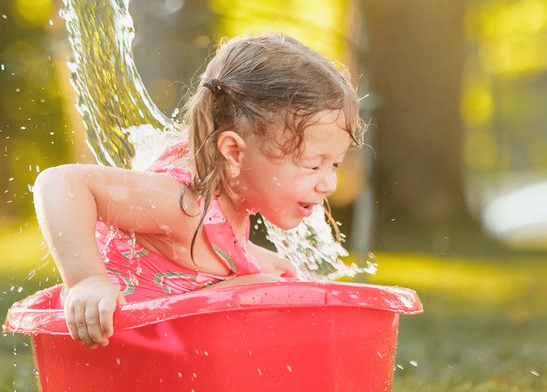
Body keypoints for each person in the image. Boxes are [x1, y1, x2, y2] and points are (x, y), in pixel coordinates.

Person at [33, 33, 362, 348]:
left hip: (172, 359)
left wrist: (252, 258)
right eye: (312, 165)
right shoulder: (182, 202)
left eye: (334, 164)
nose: (328, 183)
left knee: (273, 287)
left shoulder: (225, 199)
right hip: (123, 358)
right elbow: (62, 183)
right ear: (234, 151)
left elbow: (195, 254)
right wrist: (86, 280)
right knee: (267, 291)